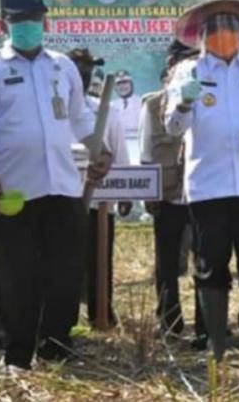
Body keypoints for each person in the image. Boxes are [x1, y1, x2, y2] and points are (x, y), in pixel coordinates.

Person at [0, 0, 111, 371]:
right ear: (3, 22)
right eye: (18, 19)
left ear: (45, 19)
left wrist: (99, 148)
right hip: (11, 192)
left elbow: (79, 118)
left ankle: (56, 348)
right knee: (15, 276)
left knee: (65, 271)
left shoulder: (62, 67)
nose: (28, 24)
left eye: (33, 17)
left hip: (62, 186)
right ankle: (18, 356)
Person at [164, 0, 239, 366]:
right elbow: (173, 126)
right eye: (214, 28)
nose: (224, 34)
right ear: (201, 36)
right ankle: (217, 342)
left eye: (231, 27)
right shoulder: (189, 72)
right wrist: (184, 104)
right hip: (207, 185)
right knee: (211, 263)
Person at [139, 39, 204, 342]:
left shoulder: (209, 100)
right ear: (170, 66)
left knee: (205, 259)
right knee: (166, 262)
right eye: (184, 61)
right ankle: (169, 321)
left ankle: (207, 322)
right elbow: (146, 152)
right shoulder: (152, 104)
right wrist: (149, 192)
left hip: (202, 192)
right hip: (167, 193)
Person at [67, 47, 132, 327]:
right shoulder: (50, 108)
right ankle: (63, 315)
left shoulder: (106, 111)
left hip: (98, 202)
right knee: (64, 262)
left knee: (99, 261)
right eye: (76, 69)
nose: (81, 76)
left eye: (86, 71)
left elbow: (117, 152)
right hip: (61, 199)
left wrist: (125, 193)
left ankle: (101, 313)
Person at [113, 69, 142, 134]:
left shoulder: (141, 103)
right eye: (119, 83)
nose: (122, 86)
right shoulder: (111, 106)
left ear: (131, 84)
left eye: (125, 82)